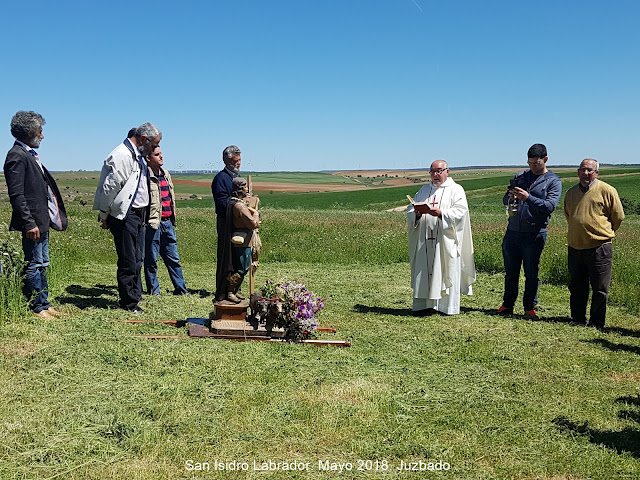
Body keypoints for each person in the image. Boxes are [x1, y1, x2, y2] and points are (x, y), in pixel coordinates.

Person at [4, 111, 68, 318]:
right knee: (33, 263)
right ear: (30, 132)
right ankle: (36, 307)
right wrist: (28, 222)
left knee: (42, 263)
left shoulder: (29, 154)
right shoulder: (17, 156)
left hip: (41, 221)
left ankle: (44, 303)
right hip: (32, 222)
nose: (42, 135)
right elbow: (17, 195)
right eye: (40, 131)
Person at [93, 123, 161, 313]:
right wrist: (104, 213)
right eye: (153, 144)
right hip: (125, 215)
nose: (154, 149)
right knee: (128, 259)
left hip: (138, 213)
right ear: (144, 139)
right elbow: (110, 188)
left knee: (137, 257)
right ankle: (128, 302)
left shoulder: (136, 155)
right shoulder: (122, 155)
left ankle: (134, 295)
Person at [498, 143, 562, 319]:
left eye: (536, 163)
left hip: (534, 233)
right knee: (511, 271)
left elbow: (549, 206)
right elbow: (505, 200)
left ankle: (529, 307)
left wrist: (528, 198)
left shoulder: (553, 181)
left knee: (531, 272)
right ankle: (507, 305)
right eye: (530, 162)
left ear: (545, 160)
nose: (532, 166)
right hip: (513, 230)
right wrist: (510, 196)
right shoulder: (520, 176)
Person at [407, 160, 476, 315]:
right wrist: (416, 213)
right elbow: (411, 210)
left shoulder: (456, 190)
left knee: (445, 269)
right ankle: (423, 305)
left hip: (445, 241)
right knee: (425, 270)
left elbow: (461, 212)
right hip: (425, 241)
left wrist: (441, 214)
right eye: (432, 171)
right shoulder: (424, 190)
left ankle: (446, 307)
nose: (435, 175)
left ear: (447, 171)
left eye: (439, 171)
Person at [564, 158, 624, 329]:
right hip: (575, 246)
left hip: (600, 247)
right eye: (583, 170)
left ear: (597, 173)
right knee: (577, 286)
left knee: (599, 288)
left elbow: (618, 217)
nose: (586, 173)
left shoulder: (607, 190)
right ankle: (577, 319)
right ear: (578, 172)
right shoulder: (571, 193)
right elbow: (569, 215)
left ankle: (597, 323)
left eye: (590, 170)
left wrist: (602, 232)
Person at [143, 145, 188, 296]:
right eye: (157, 154)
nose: (161, 157)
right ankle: (154, 291)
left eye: (161, 153)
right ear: (148, 158)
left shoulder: (166, 174)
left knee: (173, 258)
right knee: (151, 260)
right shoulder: (145, 176)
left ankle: (181, 289)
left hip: (168, 222)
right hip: (153, 223)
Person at [221, 177, 261, 303]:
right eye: (245, 187)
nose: (247, 188)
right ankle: (229, 291)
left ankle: (235, 290)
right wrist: (256, 214)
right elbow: (252, 223)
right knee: (242, 268)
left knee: (242, 267)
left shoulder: (234, 203)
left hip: (242, 239)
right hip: (243, 241)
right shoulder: (240, 206)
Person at [211, 145, 242, 301]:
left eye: (239, 160)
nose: (237, 164)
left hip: (237, 224)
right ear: (225, 160)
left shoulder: (237, 178)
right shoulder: (220, 179)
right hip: (225, 223)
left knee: (238, 257)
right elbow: (222, 203)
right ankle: (225, 291)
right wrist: (236, 203)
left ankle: (235, 288)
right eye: (234, 161)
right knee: (227, 258)